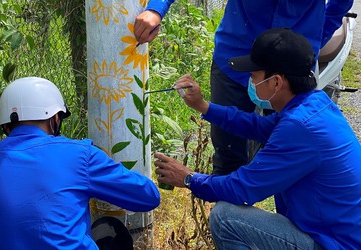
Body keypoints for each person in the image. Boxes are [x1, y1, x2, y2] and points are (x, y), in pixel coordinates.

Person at [154, 28, 361, 249]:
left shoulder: (298, 127)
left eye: (254, 76)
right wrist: (203, 106)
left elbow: (241, 189)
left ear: (276, 82)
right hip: (336, 232)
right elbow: (257, 126)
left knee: (225, 218)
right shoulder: (314, 104)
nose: (250, 81)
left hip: (334, 243)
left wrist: (188, 178)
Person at [135, 0, 354, 175]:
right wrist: (156, 8)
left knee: (287, 156)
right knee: (230, 156)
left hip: (291, 64)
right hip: (235, 60)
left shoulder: (304, 118)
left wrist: (310, 41)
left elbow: (340, 4)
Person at [0, 77, 160, 249]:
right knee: (110, 229)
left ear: (6, 124)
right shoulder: (79, 155)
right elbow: (148, 196)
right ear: (54, 118)